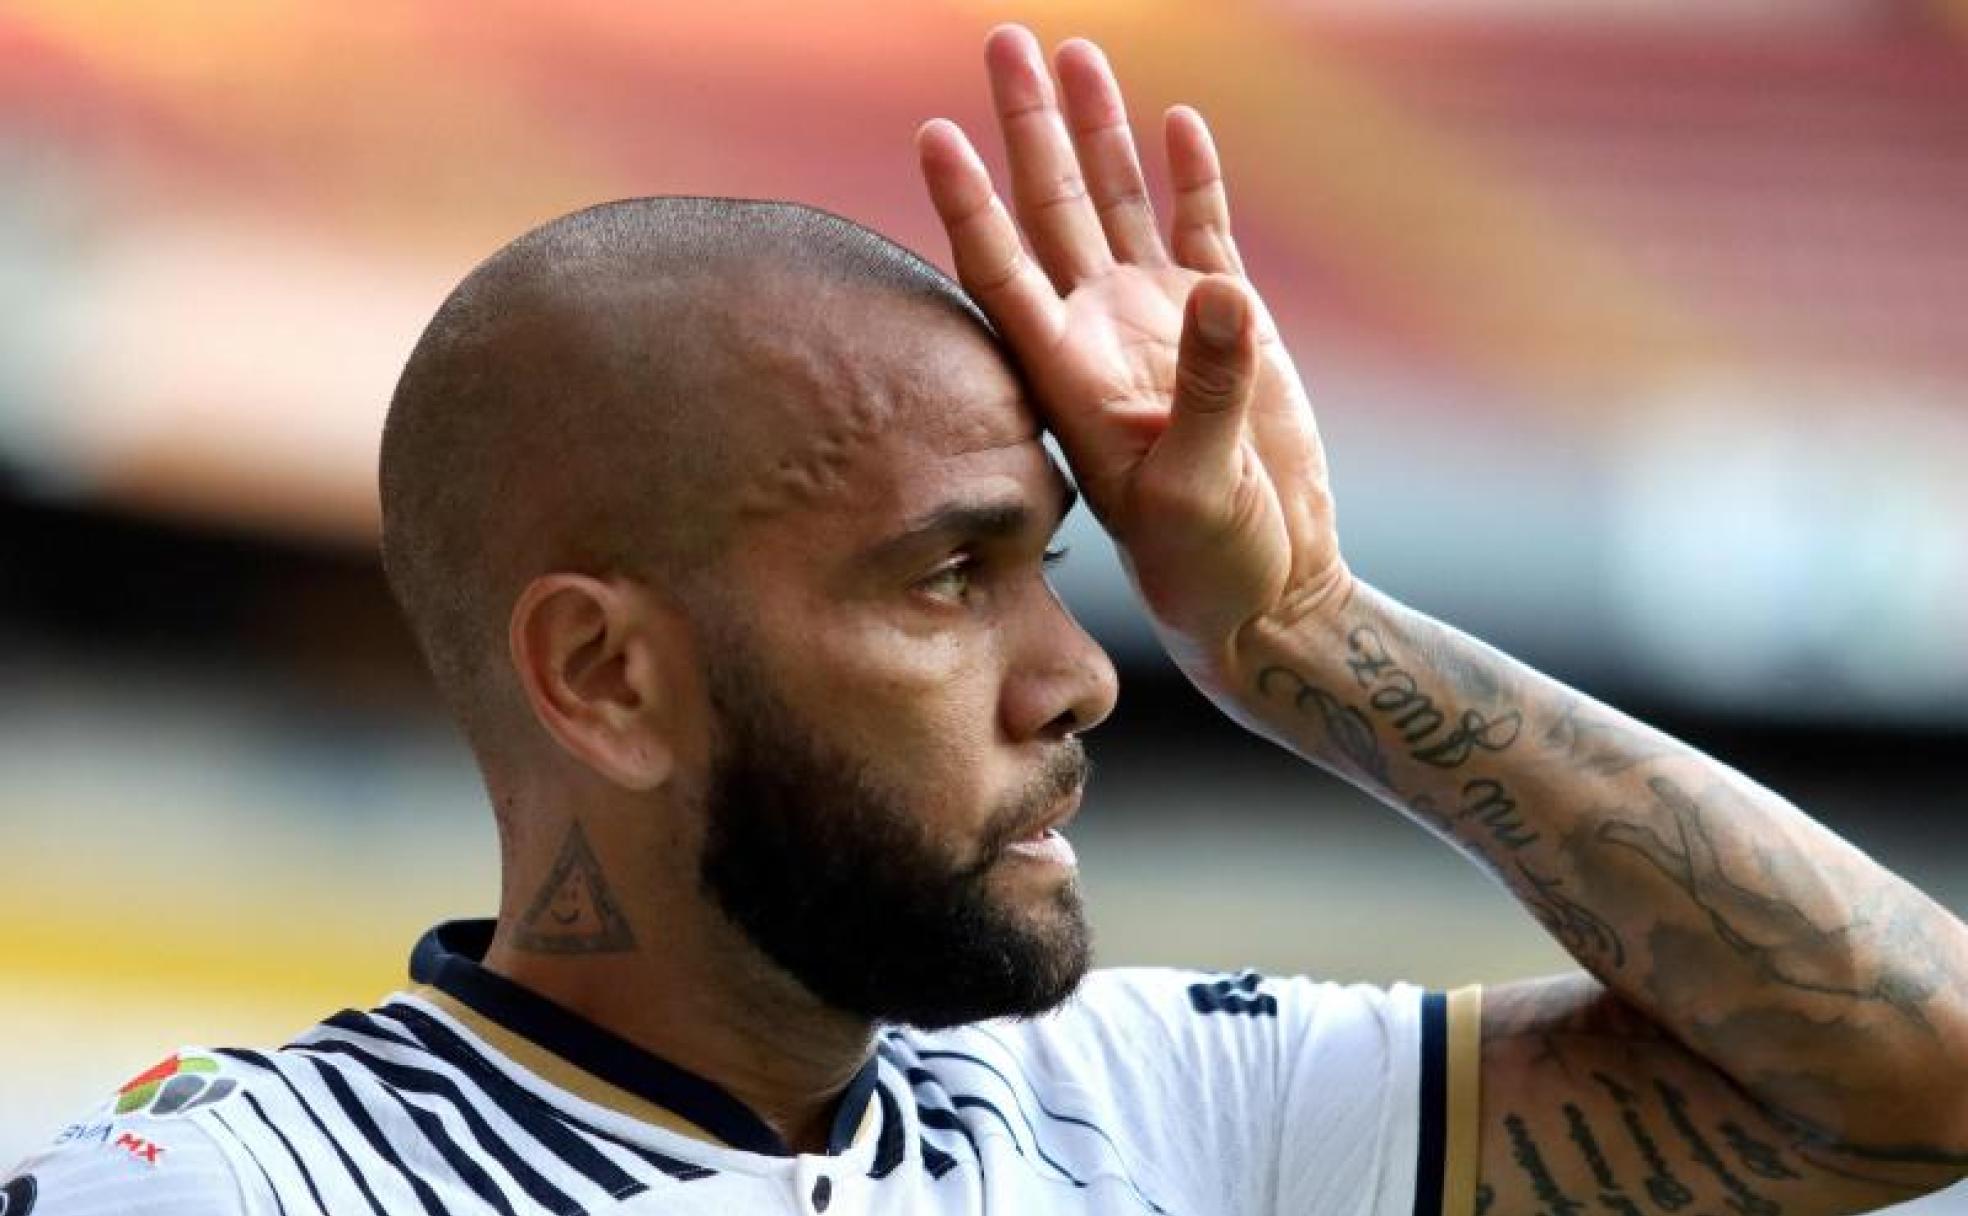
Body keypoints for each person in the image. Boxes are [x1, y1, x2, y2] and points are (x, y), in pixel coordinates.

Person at [7, 25, 1965, 1216]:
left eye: (1053, 563)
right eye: (949, 576)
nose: (1082, 672)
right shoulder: (242, 1185)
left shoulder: (1165, 1104)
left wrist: (1308, 633)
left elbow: (1915, 1075)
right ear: (607, 677)